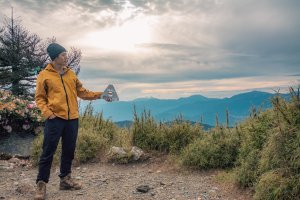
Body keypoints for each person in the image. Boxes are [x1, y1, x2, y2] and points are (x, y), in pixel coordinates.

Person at [34, 43, 109, 200]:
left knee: (69, 150)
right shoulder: (44, 75)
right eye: (63, 55)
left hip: (72, 119)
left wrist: (101, 95)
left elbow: (82, 92)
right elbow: (40, 98)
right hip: (55, 119)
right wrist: (48, 113)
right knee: (48, 151)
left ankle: (65, 180)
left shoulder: (71, 74)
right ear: (55, 58)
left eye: (65, 54)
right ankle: (41, 184)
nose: (66, 57)